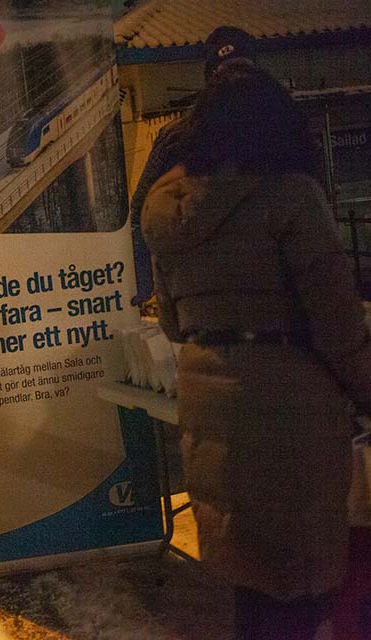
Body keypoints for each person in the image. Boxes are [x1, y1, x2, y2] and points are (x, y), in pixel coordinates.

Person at [141, 60, 371, 639]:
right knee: (300, 581)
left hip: (207, 400)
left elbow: (170, 320)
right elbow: (338, 324)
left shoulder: (167, 208)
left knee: (249, 574)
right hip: (289, 411)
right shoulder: (291, 197)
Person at [128, 26, 256, 304]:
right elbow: (140, 214)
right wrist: (152, 293)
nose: (235, 84)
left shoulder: (281, 133)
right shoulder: (178, 139)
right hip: (214, 301)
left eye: (243, 73)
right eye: (225, 75)